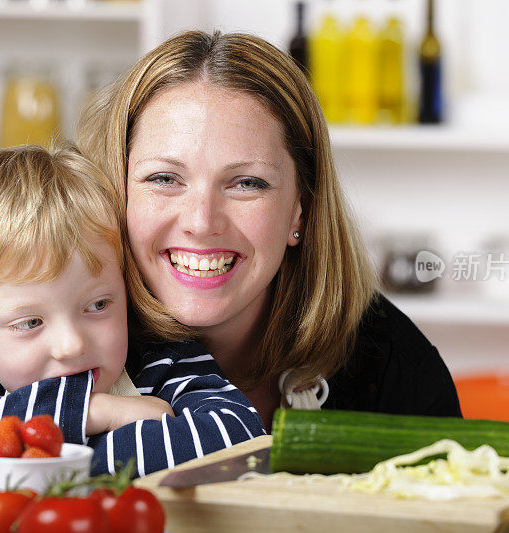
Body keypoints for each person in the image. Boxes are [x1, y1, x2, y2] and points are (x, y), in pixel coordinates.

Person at [77, 30, 461, 432]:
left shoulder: (390, 362)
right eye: (163, 178)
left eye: (247, 183)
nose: (201, 222)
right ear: (117, 189)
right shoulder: (57, 342)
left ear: (301, 210)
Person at [0, 144, 265, 480]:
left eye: (97, 305)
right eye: (30, 322)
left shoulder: (163, 369)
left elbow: (240, 437)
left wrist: (41, 454)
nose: (72, 345)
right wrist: (98, 414)